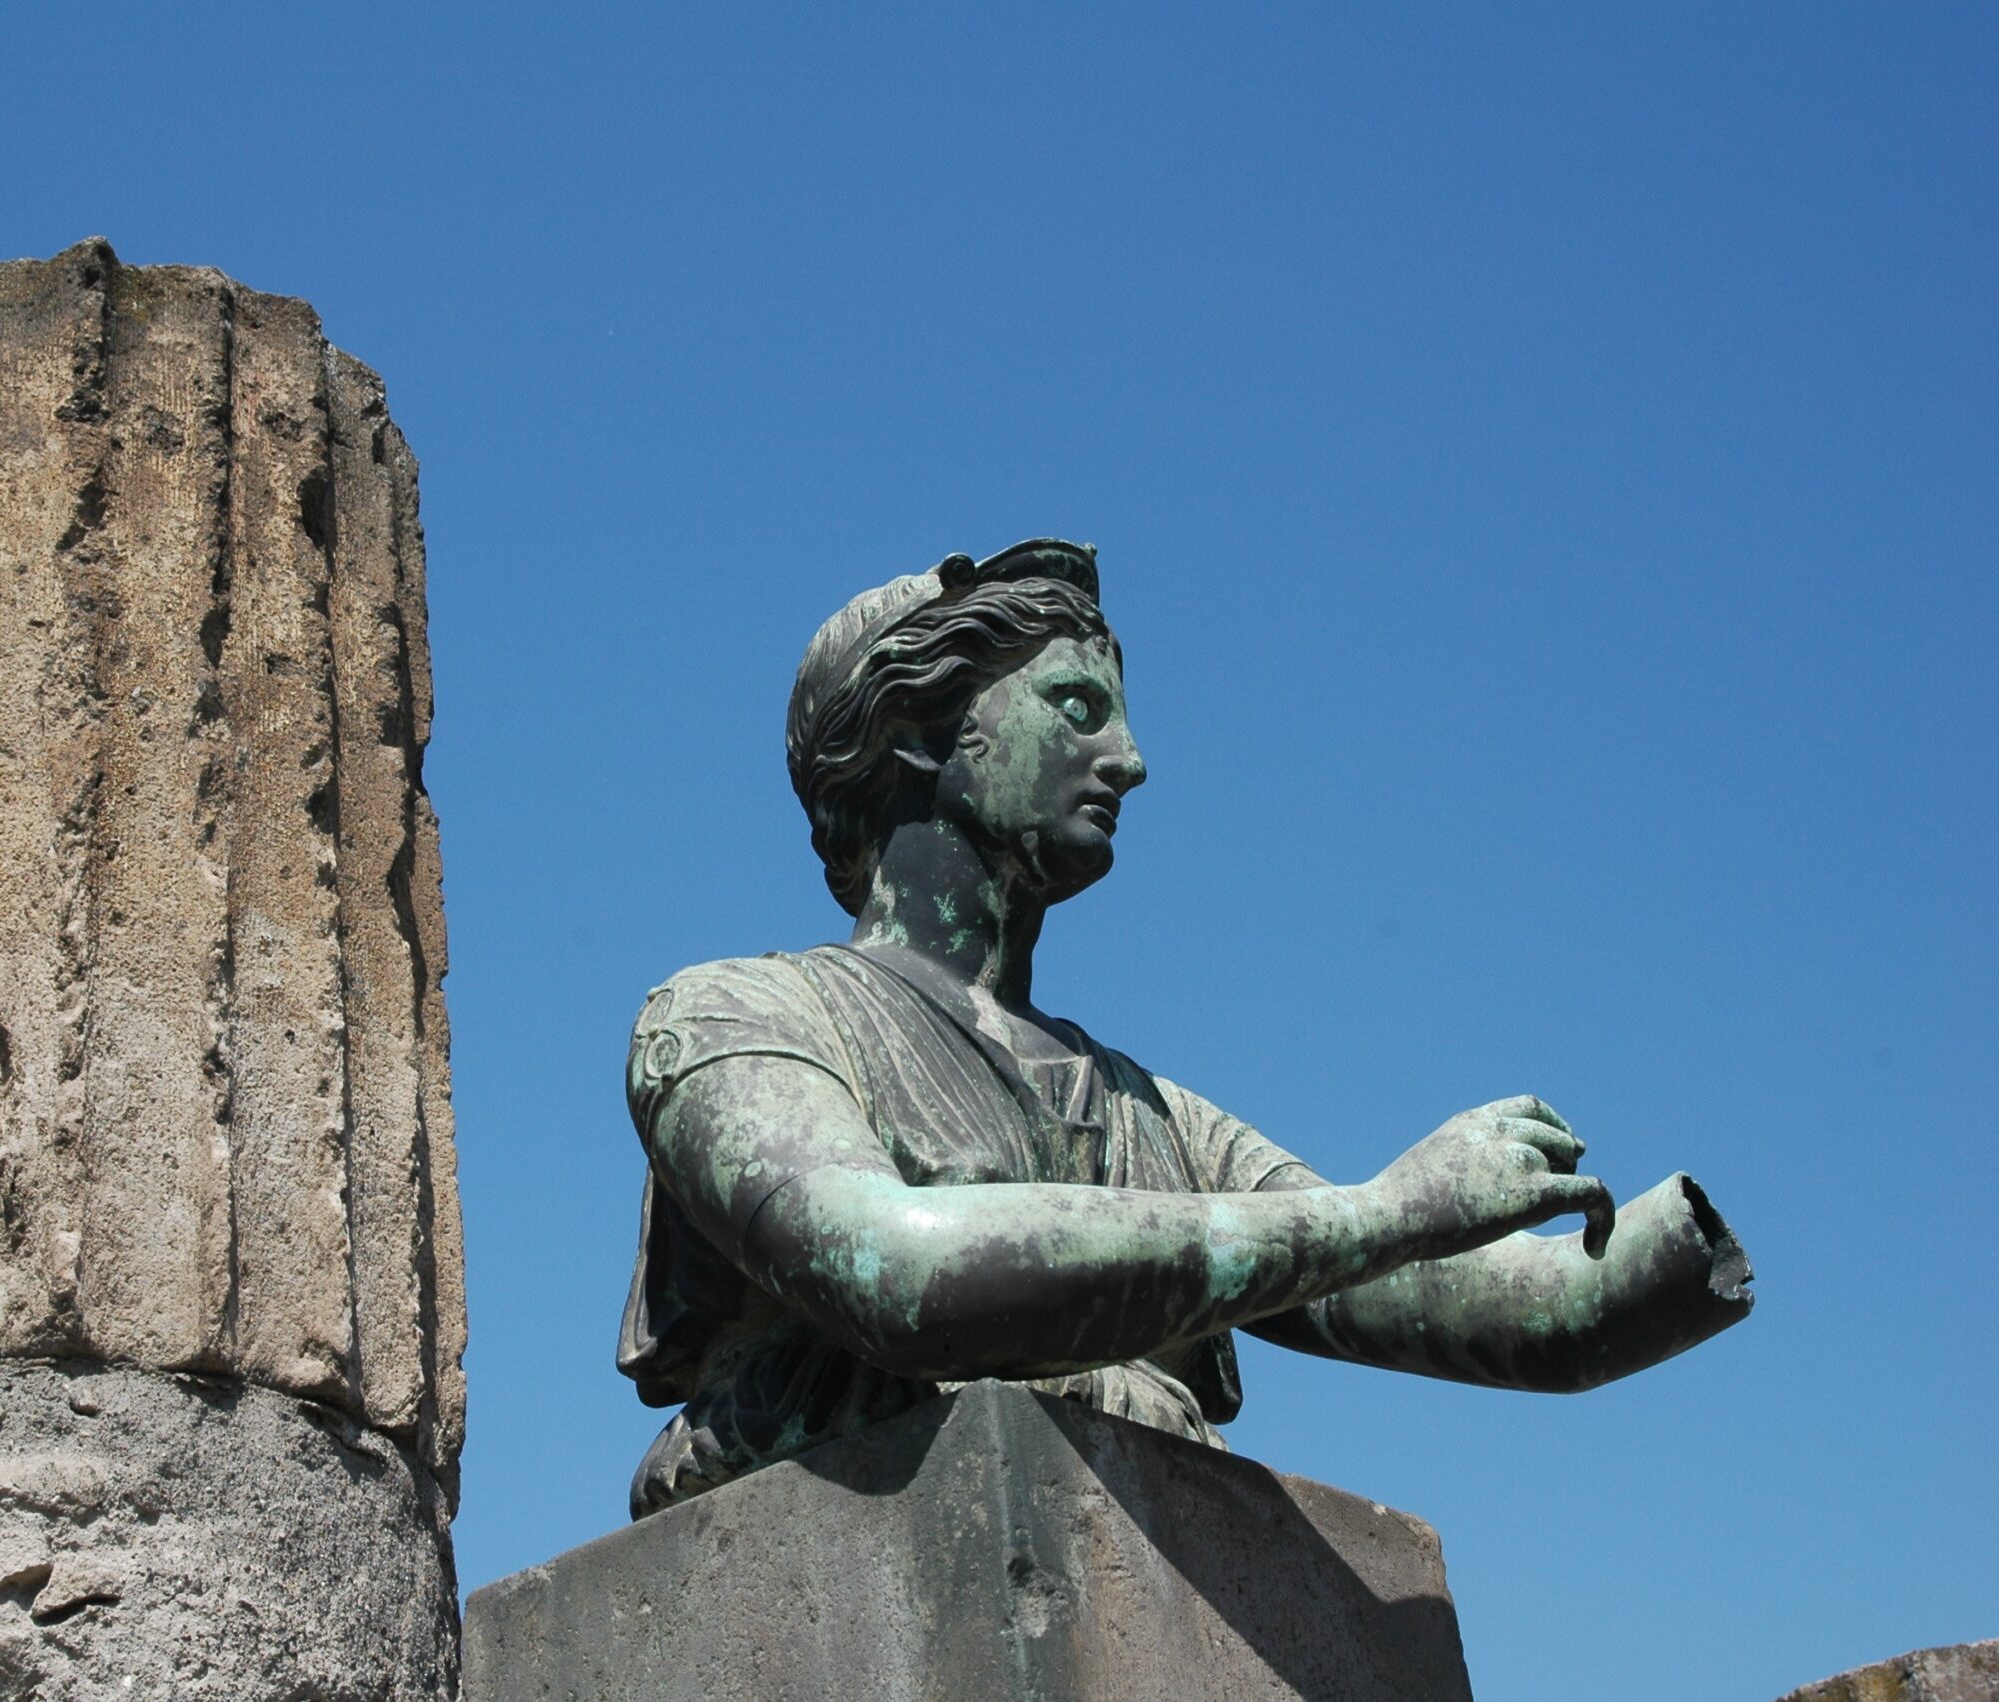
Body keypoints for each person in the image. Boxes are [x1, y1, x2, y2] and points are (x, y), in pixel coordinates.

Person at [618, 539, 1752, 1517]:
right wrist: (1393, 1210)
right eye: (1076, 705)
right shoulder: (731, 1016)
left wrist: (1643, 1256)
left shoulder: (1143, 1108)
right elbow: (897, 1271)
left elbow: (1504, 1310)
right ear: (915, 730)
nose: (1131, 758)